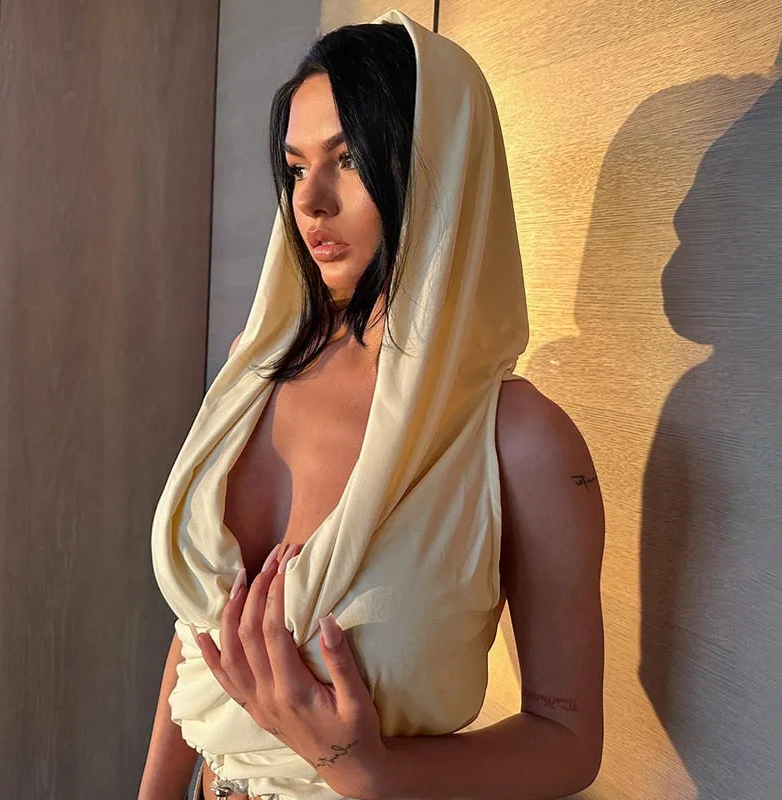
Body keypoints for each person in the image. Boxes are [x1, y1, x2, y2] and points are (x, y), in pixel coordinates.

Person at [140, 10, 605, 800]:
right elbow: (204, 634)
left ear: (441, 165)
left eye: (349, 159)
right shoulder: (255, 371)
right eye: (295, 168)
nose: (310, 202)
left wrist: (369, 771)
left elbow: (568, 742)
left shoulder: (518, 439)